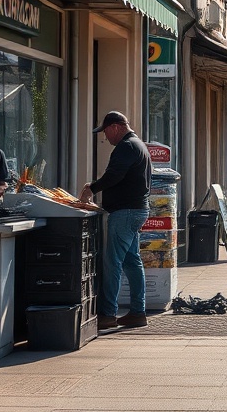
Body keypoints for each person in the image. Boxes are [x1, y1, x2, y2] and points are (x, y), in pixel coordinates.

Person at [79, 111, 151, 330]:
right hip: (135, 210)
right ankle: (138, 312)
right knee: (131, 260)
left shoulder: (127, 146)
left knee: (113, 262)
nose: (105, 137)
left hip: (126, 212)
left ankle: (108, 314)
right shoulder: (138, 145)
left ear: (117, 127)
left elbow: (114, 175)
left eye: (106, 131)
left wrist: (91, 188)